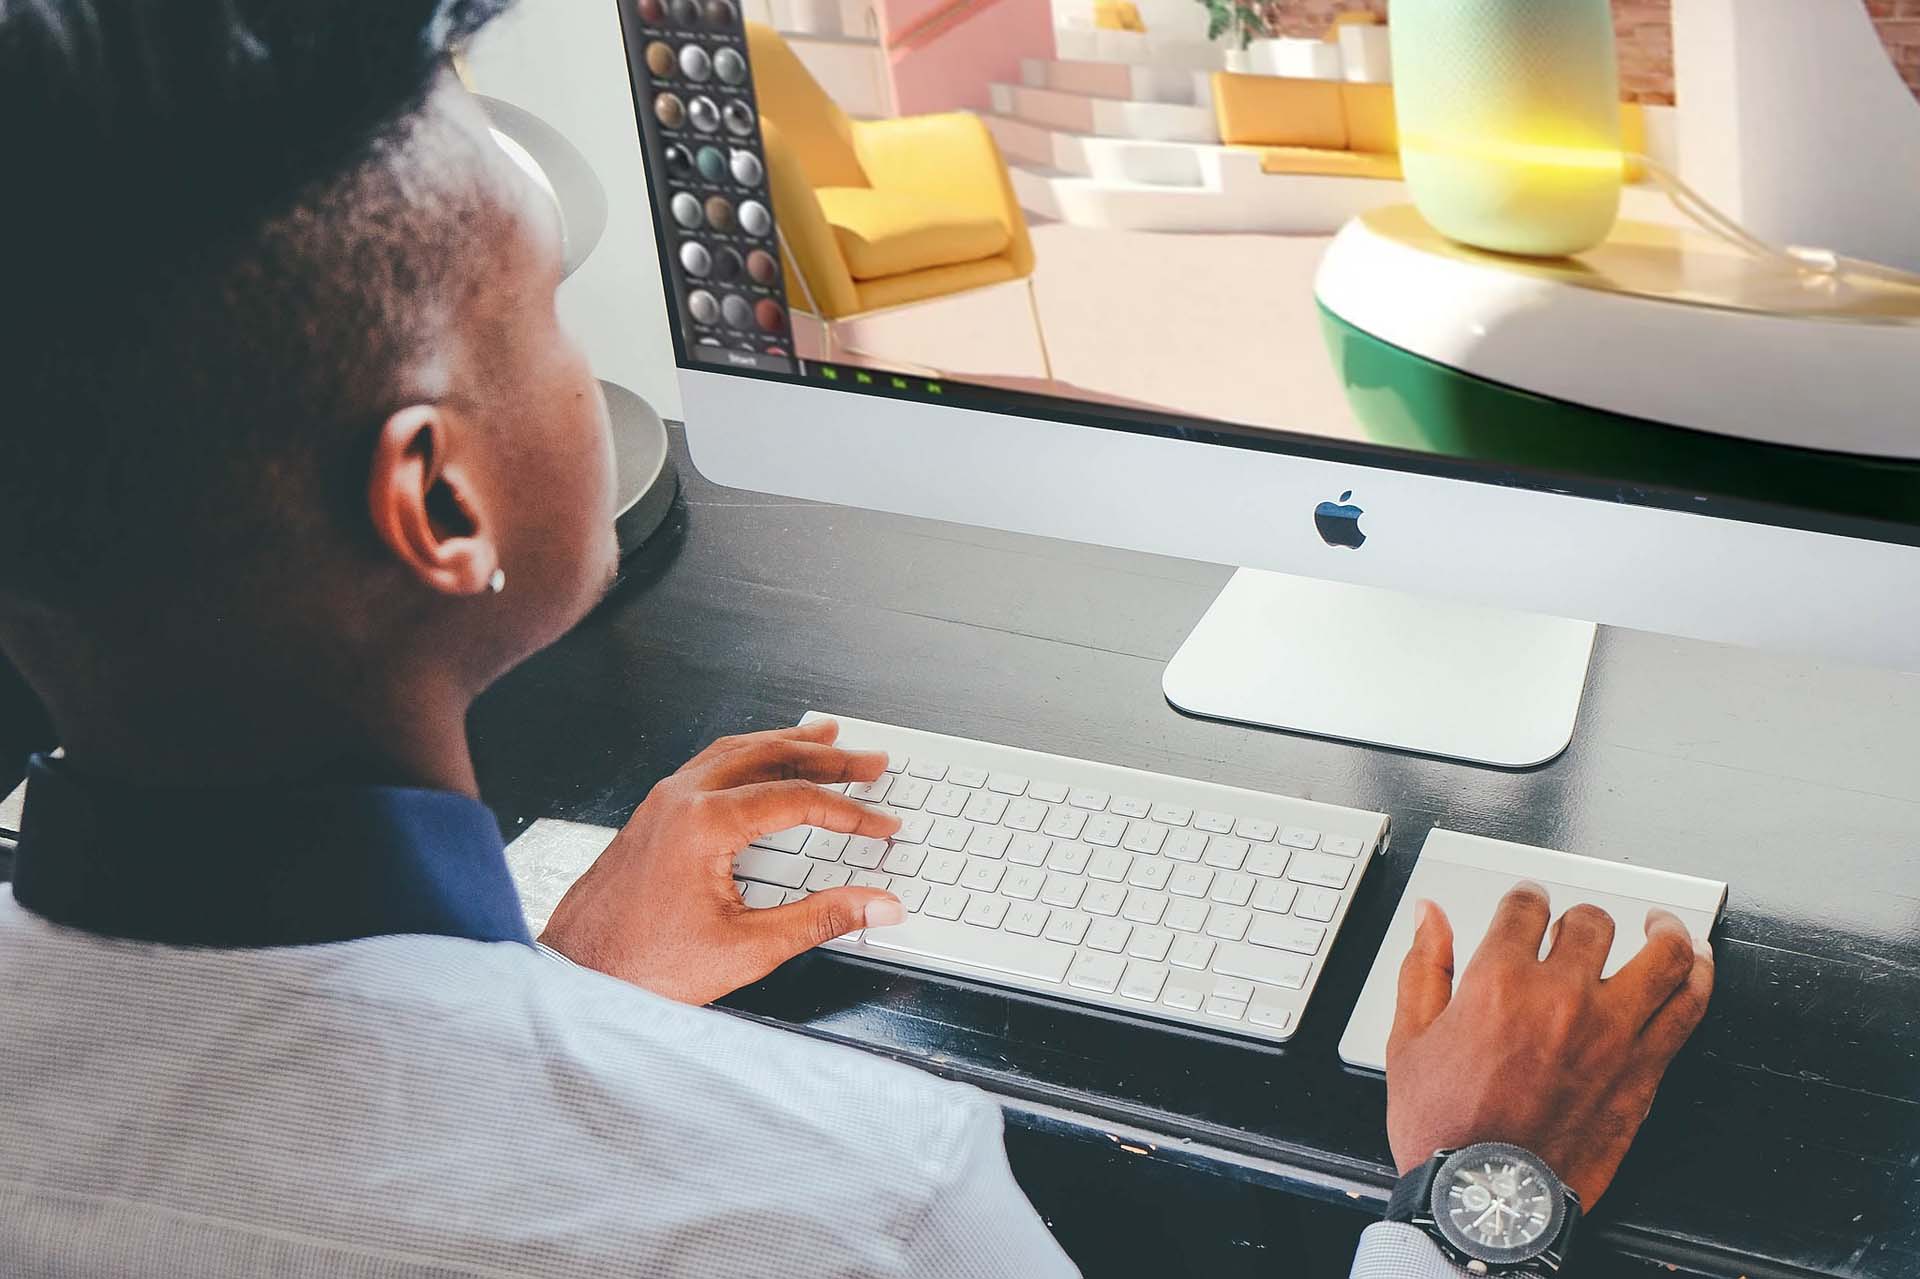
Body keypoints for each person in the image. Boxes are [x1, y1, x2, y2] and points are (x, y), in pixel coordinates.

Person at [0, 2, 1714, 1274]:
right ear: (438, 505)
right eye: (536, 309)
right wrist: (1481, 1199)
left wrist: (561, 991)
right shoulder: (837, 1207)